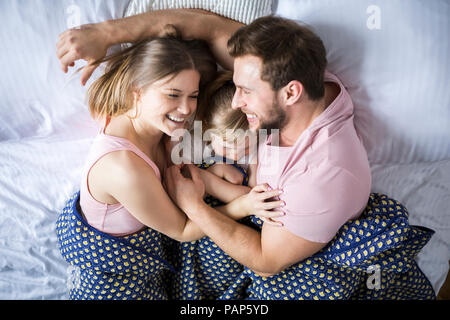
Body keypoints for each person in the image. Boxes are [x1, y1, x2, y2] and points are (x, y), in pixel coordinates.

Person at [57, 9, 436, 300]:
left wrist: (198, 204)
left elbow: (266, 261)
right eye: (236, 85)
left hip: (264, 243)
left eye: (246, 91)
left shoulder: (326, 173)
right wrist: (106, 33)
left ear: (291, 93)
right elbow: (202, 26)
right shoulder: (283, 68)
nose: (236, 101)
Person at [55, 29, 284, 300]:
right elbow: (184, 231)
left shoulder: (158, 125)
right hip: (117, 281)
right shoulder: (123, 167)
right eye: (173, 95)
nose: (186, 109)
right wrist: (243, 206)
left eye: (193, 95)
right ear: (136, 92)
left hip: (156, 253)